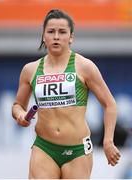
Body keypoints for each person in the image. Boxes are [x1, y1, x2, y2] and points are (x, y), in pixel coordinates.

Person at [12, 9, 121, 179]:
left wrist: (108, 141)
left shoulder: (85, 67)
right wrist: (20, 115)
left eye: (62, 32)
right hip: (44, 148)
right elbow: (17, 105)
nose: (56, 36)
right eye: (51, 31)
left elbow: (110, 105)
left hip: (77, 151)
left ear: (71, 37)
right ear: (43, 36)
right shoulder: (30, 70)